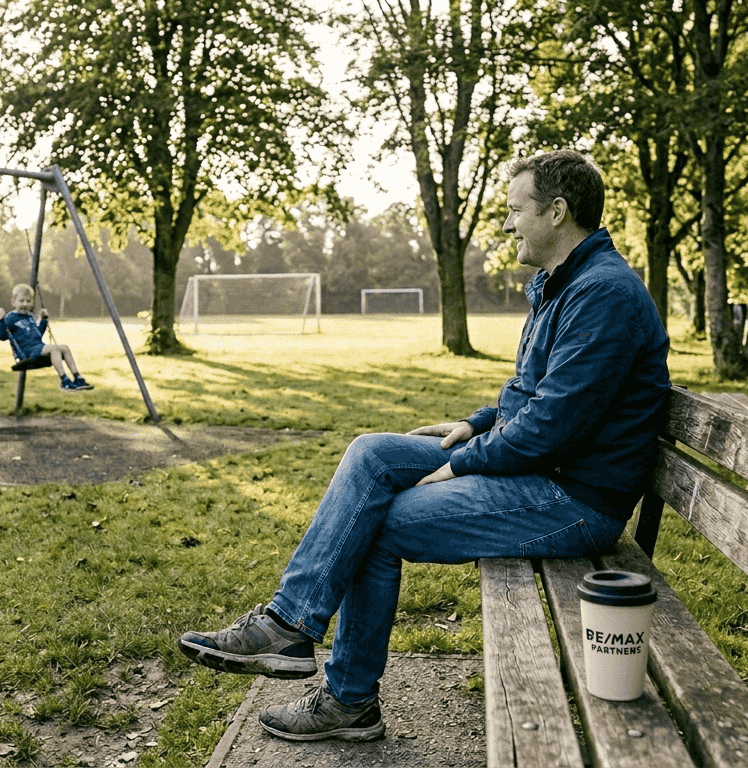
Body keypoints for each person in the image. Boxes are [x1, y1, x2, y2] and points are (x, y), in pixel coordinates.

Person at [177, 149, 671, 743]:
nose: (508, 223)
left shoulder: (601, 294)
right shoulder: (564, 284)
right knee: (371, 452)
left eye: (515, 210)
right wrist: (477, 422)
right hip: (545, 467)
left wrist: (463, 463)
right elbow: (540, 396)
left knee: (379, 524)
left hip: (573, 498)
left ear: (558, 212)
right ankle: (289, 623)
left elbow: (549, 427)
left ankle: (347, 699)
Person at [0, 284, 92, 391]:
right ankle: (64, 380)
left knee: (64, 348)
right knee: (54, 348)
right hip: (27, 353)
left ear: (32, 302)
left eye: (28, 301)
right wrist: (0, 320)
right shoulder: (10, 317)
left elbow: (38, 334)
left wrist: (43, 320)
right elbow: (3, 336)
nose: (25, 304)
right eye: (21, 301)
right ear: (13, 302)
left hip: (38, 348)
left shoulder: (30, 316)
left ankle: (77, 377)